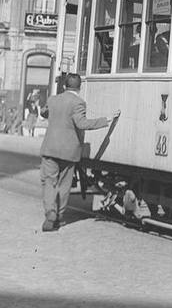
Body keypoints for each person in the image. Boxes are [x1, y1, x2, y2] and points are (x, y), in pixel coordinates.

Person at [38, 73, 120, 231]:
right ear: (79, 87)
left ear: (64, 86)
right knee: (64, 185)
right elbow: (81, 124)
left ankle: (50, 213)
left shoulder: (53, 99)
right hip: (69, 151)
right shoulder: (79, 103)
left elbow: (44, 112)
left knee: (48, 182)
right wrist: (106, 120)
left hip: (50, 148)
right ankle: (59, 216)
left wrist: (47, 111)